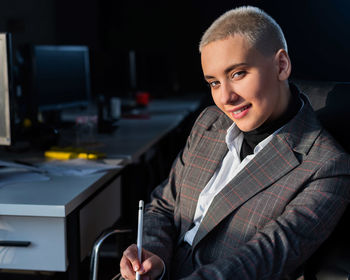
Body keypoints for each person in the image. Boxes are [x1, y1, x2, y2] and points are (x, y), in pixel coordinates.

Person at [119, 6, 350, 280]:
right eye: (214, 83)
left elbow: (261, 261)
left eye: (238, 74)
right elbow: (164, 206)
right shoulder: (209, 123)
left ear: (281, 65)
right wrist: (154, 255)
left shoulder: (327, 166)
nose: (225, 98)